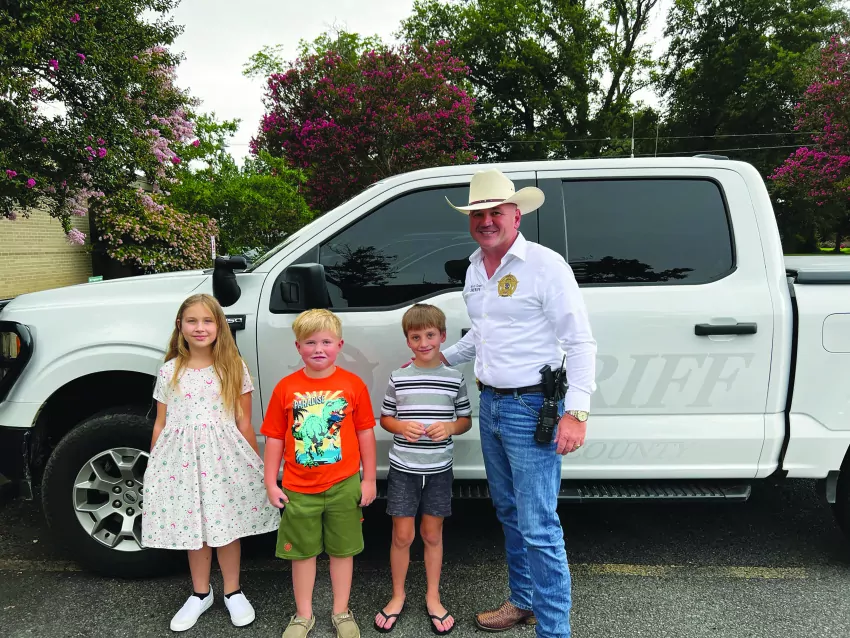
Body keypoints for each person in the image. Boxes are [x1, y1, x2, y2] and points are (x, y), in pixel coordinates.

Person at [440, 169, 597, 638]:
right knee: (509, 513)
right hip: (490, 405)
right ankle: (524, 601)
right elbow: (483, 334)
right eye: (478, 214)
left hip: (532, 409)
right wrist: (439, 359)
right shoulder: (474, 267)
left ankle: (554, 631)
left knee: (539, 526)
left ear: (516, 215)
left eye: (496, 212)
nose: (486, 221)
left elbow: (580, 342)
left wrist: (577, 412)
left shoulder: (545, 265)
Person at [142, 293, 279, 632]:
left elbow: (244, 422)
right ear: (180, 326)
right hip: (182, 462)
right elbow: (161, 423)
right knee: (195, 527)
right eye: (192, 321)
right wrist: (155, 465)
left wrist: (255, 466)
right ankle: (200, 593)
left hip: (224, 460)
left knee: (226, 525)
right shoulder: (169, 371)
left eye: (207, 321)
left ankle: (233, 591)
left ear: (219, 326)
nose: (199, 328)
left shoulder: (232, 368)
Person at [261, 308, 378, 638]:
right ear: (298, 347)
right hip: (298, 489)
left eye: (326, 342)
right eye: (310, 342)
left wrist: (369, 479)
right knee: (302, 554)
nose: (318, 349)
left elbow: (365, 433)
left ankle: (341, 611)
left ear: (339, 345)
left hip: (344, 485)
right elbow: (274, 437)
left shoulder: (353, 385)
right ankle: (303, 615)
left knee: (343, 552)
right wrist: (270, 482)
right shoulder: (286, 388)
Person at [374, 304, 472, 635]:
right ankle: (397, 595)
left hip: (439, 469)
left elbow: (465, 420)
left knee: (432, 534)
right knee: (402, 535)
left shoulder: (454, 378)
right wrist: (401, 427)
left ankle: (433, 596)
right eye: (416, 337)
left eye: (430, 335)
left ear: (442, 336)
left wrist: (451, 428)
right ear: (408, 341)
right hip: (404, 468)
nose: (424, 342)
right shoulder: (398, 377)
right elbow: (386, 417)